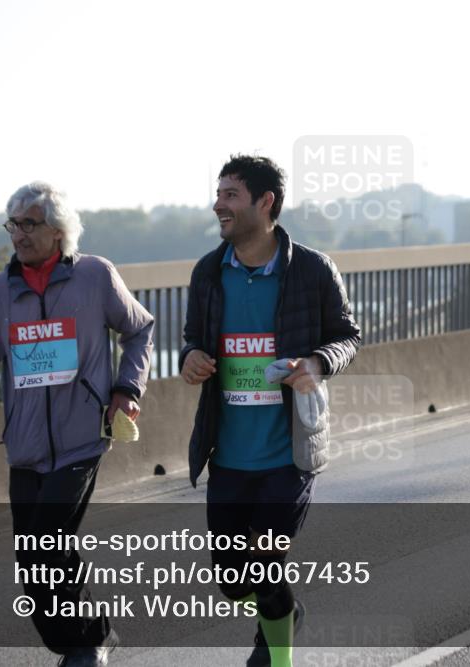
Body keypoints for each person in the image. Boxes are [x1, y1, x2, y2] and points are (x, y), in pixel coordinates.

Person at [0, 181, 155, 667]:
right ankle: (88, 635)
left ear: (58, 231)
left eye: (29, 224)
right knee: (35, 561)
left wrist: (126, 389)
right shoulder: (0, 293)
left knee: (47, 547)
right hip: (26, 447)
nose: (18, 234)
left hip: (82, 441)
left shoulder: (95, 277)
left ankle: (85, 644)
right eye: (13, 224)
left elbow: (139, 330)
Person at [180, 155, 361, 666]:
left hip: (289, 451)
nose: (220, 204)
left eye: (231, 195)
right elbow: (193, 340)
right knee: (234, 580)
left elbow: (348, 336)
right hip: (229, 454)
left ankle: (275, 656)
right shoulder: (208, 273)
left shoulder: (311, 269)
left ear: (266, 202)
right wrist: (191, 357)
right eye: (219, 194)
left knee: (263, 560)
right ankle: (284, 612)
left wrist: (318, 362)